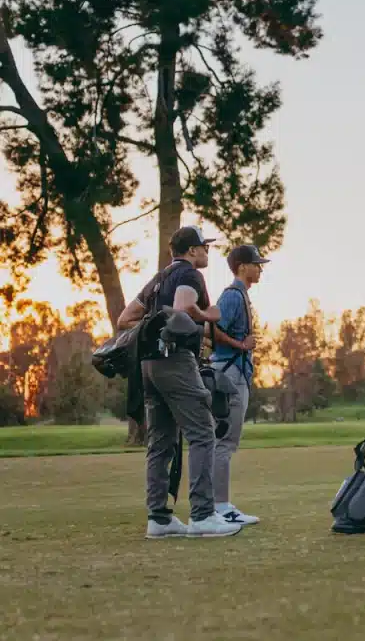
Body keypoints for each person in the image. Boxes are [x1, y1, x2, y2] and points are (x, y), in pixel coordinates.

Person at [116, 225, 242, 538]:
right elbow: (186, 308)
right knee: (202, 433)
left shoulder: (158, 279)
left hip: (149, 366)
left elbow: (125, 319)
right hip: (175, 362)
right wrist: (208, 314)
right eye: (204, 246)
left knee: (161, 441)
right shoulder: (189, 274)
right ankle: (202, 515)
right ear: (191, 250)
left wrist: (159, 324)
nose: (207, 251)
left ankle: (159, 519)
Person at [209, 244, 270, 526]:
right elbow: (212, 328)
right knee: (225, 442)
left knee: (224, 441)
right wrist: (241, 345)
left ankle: (217, 505)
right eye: (256, 264)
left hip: (234, 372)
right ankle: (220, 507)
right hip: (229, 374)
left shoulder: (240, 295)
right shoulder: (232, 296)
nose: (260, 268)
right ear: (242, 267)